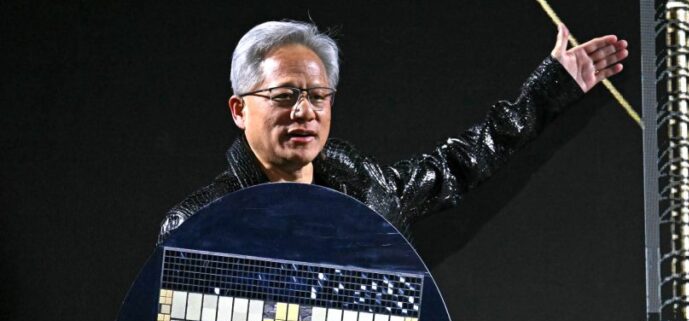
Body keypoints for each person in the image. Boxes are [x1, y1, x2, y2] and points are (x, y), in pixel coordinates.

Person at [158, 20, 628, 242]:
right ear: (239, 109)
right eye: (283, 96)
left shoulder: (365, 190)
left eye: (318, 95)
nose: (304, 111)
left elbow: (458, 164)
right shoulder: (197, 224)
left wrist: (546, 93)